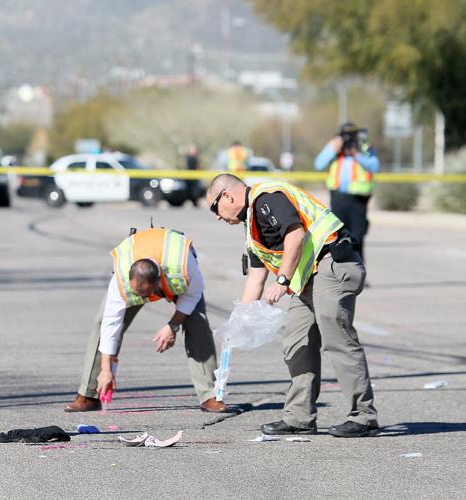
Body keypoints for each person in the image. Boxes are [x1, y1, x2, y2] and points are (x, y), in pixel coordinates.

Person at [205, 174, 378, 437]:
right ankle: (300, 417)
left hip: (332, 264)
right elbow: (256, 277)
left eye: (214, 209)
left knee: (337, 340)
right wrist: (239, 321)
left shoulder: (267, 199)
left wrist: (283, 279)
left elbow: (295, 234)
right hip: (308, 279)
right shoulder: (251, 225)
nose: (217, 217)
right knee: (297, 343)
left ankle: (363, 416)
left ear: (227, 196)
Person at [64, 227, 228, 414]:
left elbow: (194, 294)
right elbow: (111, 324)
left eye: (146, 294)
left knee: (198, 323)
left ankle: (210, 395)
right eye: (138, 294)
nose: (143, 299)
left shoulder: (182, 265)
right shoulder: (121, 278)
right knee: (101, 322)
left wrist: (172, 325)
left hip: (179, 278)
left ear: (158, 281)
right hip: (139, 273)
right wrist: (106, 369)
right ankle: (90, 394)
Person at [314, 122, 379, 261]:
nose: (348, 140)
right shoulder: (335, 149)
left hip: (358, 199)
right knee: (339, 237)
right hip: (338, 198)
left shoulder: (364, 148)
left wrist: (357, 154)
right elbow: (318, 164)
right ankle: (342, 272)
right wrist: (332, 149)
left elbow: (374, 166)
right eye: (345, 136)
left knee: (357, 237)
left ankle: (359, 270)